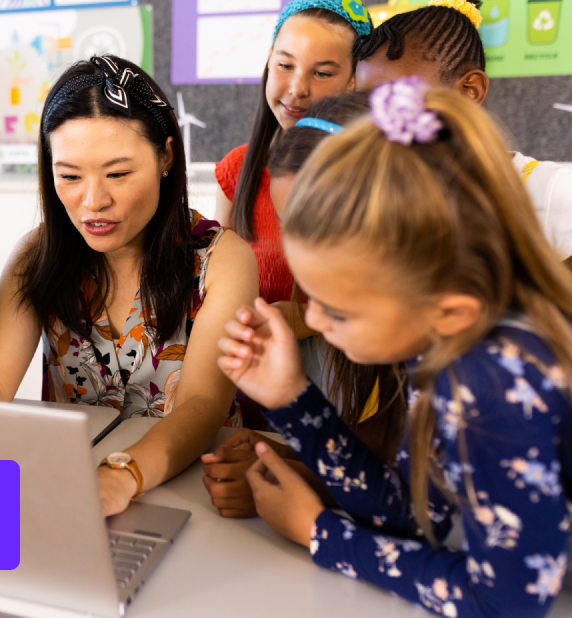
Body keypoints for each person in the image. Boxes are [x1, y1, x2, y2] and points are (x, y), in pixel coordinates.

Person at [220, 79, 572, 617]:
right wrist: (291, 396)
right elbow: (415, 510)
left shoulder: (495, 383)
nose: (309, 317)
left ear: (448, 308)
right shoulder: (447, 331)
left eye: (337, 309)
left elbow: (506, 605)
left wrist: (324, 536)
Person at [0, 55, 258, 515]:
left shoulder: (222, 260)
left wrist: (121, 475)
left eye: (118, 174)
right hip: (71, 488)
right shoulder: (36, 257)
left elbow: (201, 404)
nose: (93, 202)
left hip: (191, 490)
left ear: (165, 156)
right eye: (69, 176)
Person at [203, 92, 406, 519]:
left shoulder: (484, 361)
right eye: (289, 230)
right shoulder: (396, 331)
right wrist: (279, 448)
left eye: (319, 230)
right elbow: (394, 490)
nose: (309, 314)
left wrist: (317, 531)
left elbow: (494, 580)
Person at [353, 0, 572, 267]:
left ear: (470, 90)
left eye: (398, 99)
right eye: (366, 104)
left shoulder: (549, 193)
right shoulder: (372, 200)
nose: (378, 120)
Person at [214, 0, 372, 305]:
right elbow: (214, 281)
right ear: (269, 60)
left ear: (354, 80)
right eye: (285, 65)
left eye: (322, 73)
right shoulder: (236, 170)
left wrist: (301, 323)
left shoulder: (369, 172)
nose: (298, 88)